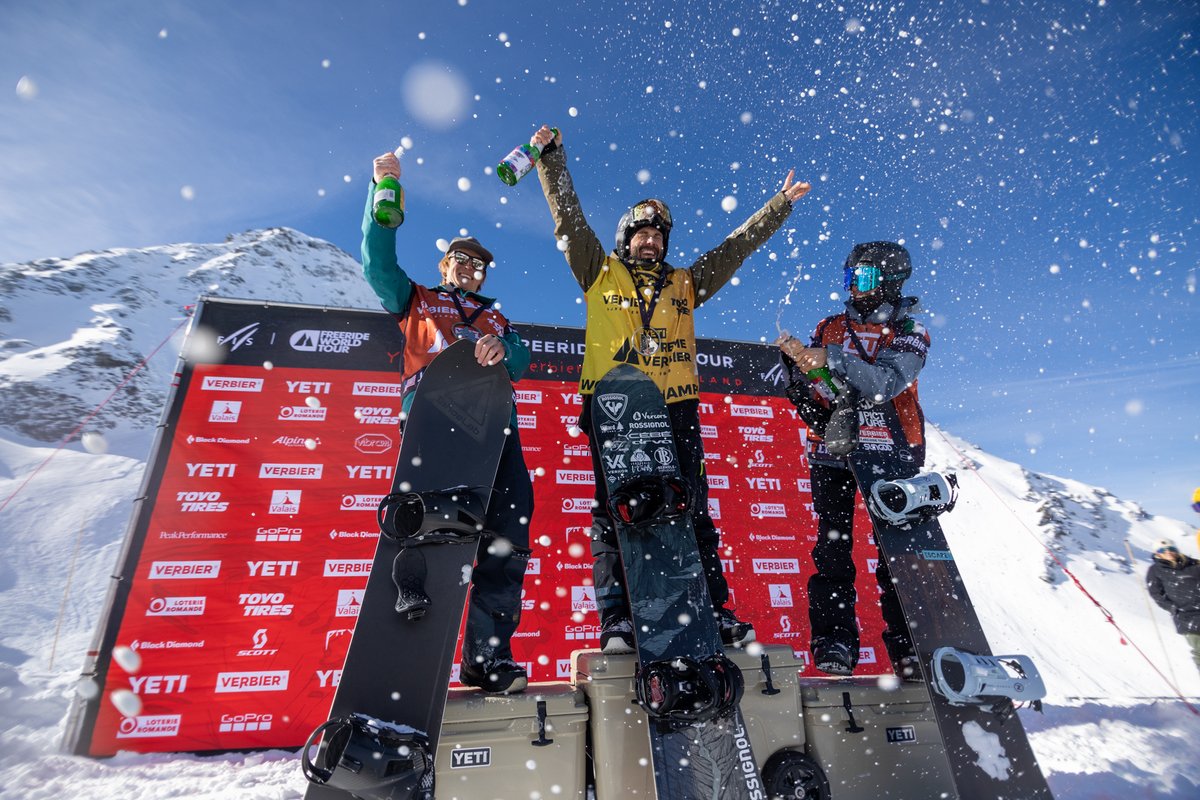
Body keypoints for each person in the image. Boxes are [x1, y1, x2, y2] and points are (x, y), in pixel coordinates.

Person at [530, 124, 812, 654]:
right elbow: (569, 219)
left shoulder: (685, 282)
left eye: (659, 235)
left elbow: (735, 248)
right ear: (625, 238)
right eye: (642, 233)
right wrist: (551, 159)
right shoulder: (598, 271)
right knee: (614, 510)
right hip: (614, 406)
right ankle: (617, 619)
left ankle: (712, 610)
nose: (652, 241)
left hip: (675, 407)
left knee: (693, 509)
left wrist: (778, 206)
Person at [361, 150, 535, 694]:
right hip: (433, 423)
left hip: (495, 432)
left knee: (507, 538)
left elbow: (523, 360)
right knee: (428, 527)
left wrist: (503, 349)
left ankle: (486, 657)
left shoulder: (497, 317)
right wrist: (382, 192)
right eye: (461, 260)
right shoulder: (416, 299)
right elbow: (377, 267)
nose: (469, 269)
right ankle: (405, 652)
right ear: (444, 265)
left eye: (478, 264)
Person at [777, 241, 930, 678]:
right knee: (832, 549)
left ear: (889, 280)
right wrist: (802, 368)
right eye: (849, 277)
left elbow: (886, 383)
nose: (853, 286)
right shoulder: (829, 326)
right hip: (832, 450)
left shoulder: (910, 330)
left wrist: (833, 359)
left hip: (892, 449)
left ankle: (909, 647)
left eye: (862, 277)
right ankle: (835, 640)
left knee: (896, 553)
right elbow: (817, 382)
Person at [1145, 539, 1200, 673]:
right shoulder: (1155, 570)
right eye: (1163, 550)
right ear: (1157, 553)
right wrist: (1172, 607)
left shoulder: (1194, 564)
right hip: (1186, 617)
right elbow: (1156, 594)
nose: (1168, 552)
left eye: (1171, 549)